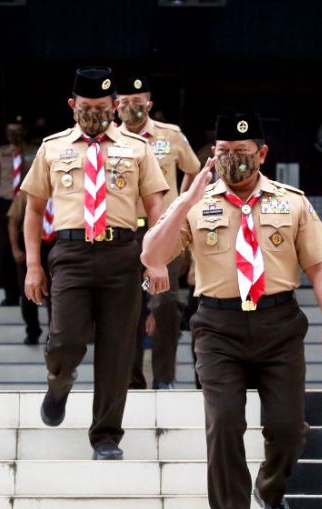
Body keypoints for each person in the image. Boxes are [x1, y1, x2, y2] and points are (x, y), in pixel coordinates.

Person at [142, 114, 322, 509]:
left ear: (262, 154)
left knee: (288, 427)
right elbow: (152, 255)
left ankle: (271, 491)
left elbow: (319, 267)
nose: (234, 161)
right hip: (218, 328)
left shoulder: (290, 203)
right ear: (214, 154)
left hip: (278, 323)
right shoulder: (198, 203)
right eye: (225, 152)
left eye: (243, 152)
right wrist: (188, 197)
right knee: (224, 426)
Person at [20, 67, 169, 460]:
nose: (94, 114)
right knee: (65, 339)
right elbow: (33, 210)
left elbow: (156, 206)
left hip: (123, 253)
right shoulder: (52, 148)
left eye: (102, 107)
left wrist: (155, 260)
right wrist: (33, 266)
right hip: (70, 253)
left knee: (118, 351)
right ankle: (59, 382)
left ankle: (105, 435)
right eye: (86, 107)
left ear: (114, 106)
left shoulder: (136, 148)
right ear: (73, 106)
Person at [116, 74, 201, 389]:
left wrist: (183, 205)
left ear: (149, 104)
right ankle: (133, 379)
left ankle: (164, 378)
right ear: (115, 107)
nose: (132, 107)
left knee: (165, 305)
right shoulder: (109, 140)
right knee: (129, 309)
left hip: (165, 233)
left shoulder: (171, 135)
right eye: (125, 103)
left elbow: (193, 170)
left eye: (138, 102)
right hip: (124, 234)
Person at [0, 115, 37, 307]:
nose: (14, 135)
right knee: (3, 249)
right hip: (5, 203)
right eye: (10, 131)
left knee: (28, 247)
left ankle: (30, 293)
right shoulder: (1, 154)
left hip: (28, 203)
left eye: (18, 131)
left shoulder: (35, 152)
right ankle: (10, 293)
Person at [8, 192, 53, 343]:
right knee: (28, 293)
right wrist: (15, 249)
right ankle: (32, 330)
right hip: (30, 245)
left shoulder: (67, 190)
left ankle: (54, 334)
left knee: (57, 295)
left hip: (56, 245)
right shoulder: (27, 194)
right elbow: (13, 221)